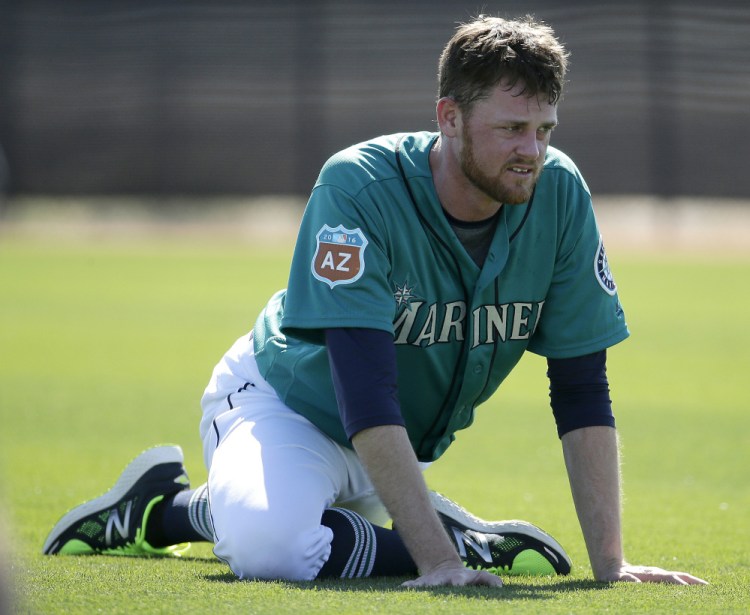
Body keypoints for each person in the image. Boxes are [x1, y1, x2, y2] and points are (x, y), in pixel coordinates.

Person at [43, 15, 707, 588]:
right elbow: (363, 387)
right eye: (511, 128)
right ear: (449, 117)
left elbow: (583, 386)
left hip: (392, 441)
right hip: (289, 407)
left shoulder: (559, 193)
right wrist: (440, 558)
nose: (531, 151)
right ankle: (161, 511)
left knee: (303, 530)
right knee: (273, 548)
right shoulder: (359, 186)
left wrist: (610, 563)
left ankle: (392, 518)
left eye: (544, 129)